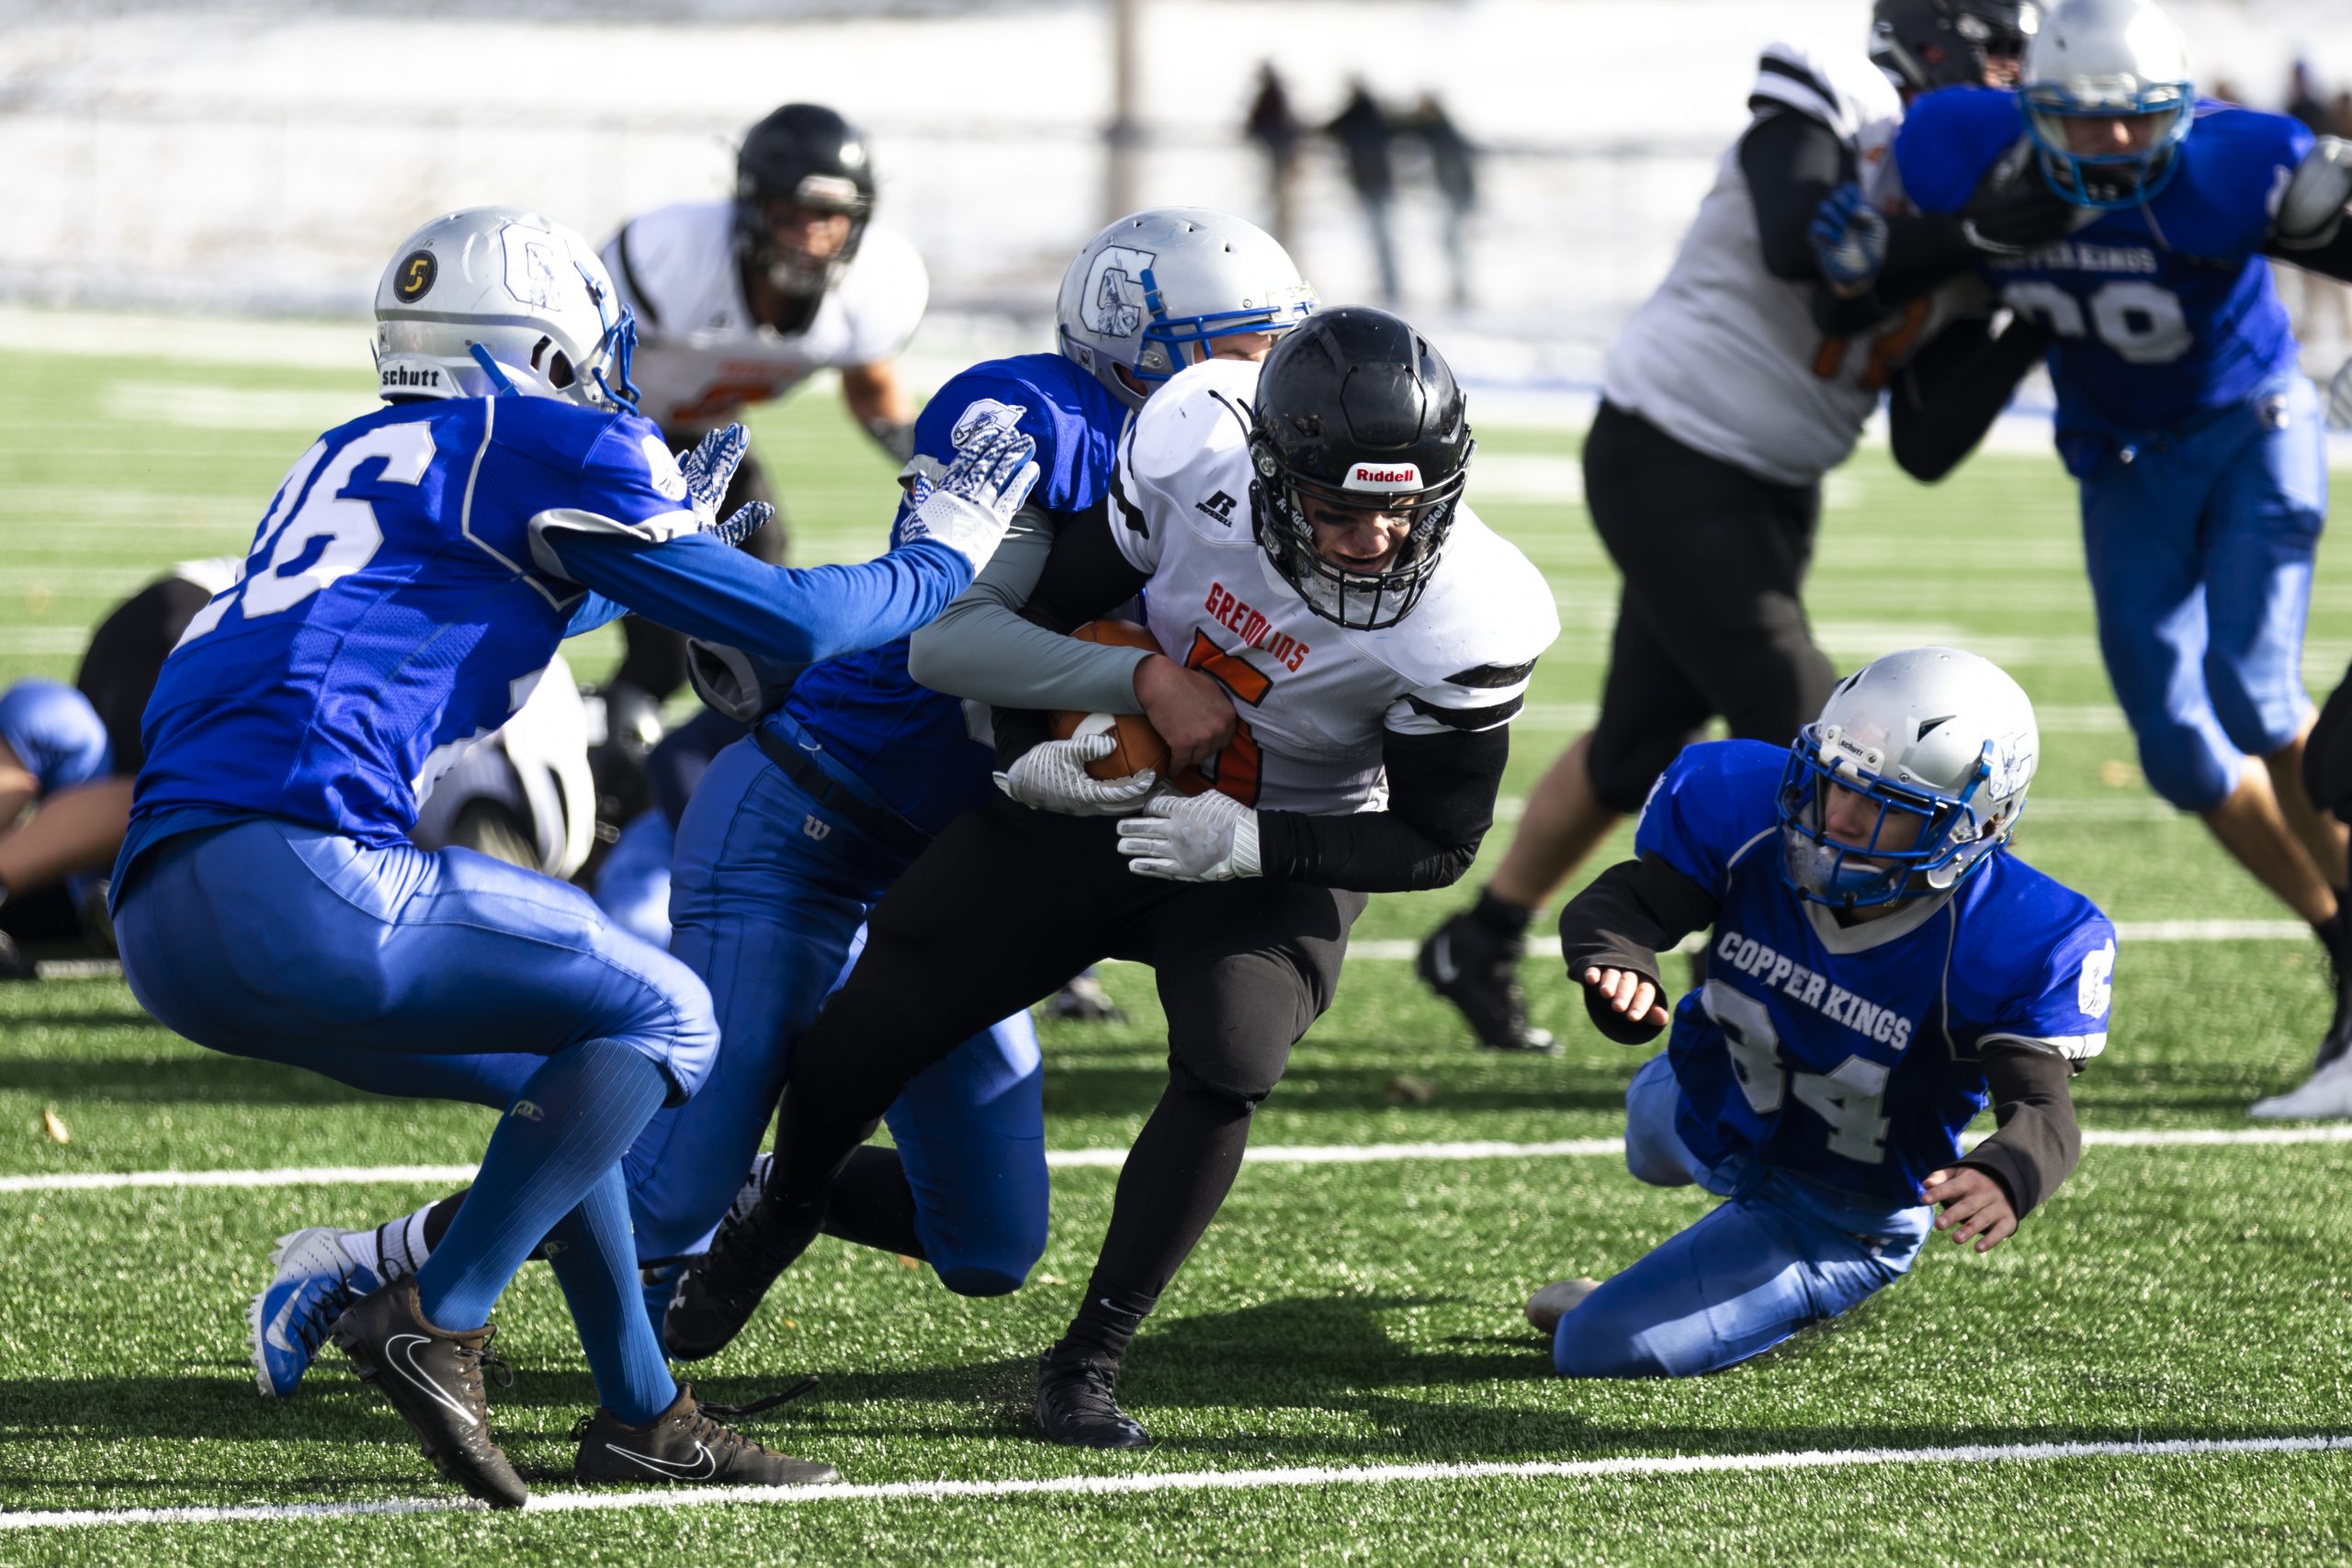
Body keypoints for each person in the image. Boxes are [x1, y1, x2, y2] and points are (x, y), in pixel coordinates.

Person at [248, 209, 1319, 1398]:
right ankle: (366, 1263)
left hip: (953, 870)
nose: (1274, 375)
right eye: (1251, 343)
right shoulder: (1034, 416)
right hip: (809, 821)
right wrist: (1141, 684)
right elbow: (951, 645)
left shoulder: (1241, 466)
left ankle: (771, 1180)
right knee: (665, 1195)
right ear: (1144, 346)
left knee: (988, 1240)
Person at [114, 204, 1025, 1506]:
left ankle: (645, 1417)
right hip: (303, 876)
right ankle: (436, 1310)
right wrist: (943, 550)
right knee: (671, 1016)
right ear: (545, 347)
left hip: (166, 912)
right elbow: (793, 621)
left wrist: (649, 560)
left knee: (582, 1075)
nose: (612, 376)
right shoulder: (548, 433)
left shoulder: (355, 448)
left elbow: (477, 594)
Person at [661, 307, 1559, 1450]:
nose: (1374, 541)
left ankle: (1086, 1361)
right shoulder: (1197, 447)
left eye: (1403, 511)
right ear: (1268, 474)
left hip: (1291, 835)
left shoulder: (1473, 610)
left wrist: (1256, 845)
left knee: (1233, 1059)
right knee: (883, 1006)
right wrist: (1029, 750)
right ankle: (783, 1204)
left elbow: (1437, 840)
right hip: (1121, 784)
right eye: (1338, 510)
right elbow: (1042, 608)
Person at [1416, 0, 2052, 1054]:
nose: (2014, 79)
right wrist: (1969, 239)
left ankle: (1477, 940)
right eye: (2001, 52)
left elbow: (1925, 443)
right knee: (1807, 723)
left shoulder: (1982, 205)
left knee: (1634, 745)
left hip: (1774, 484)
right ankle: (1748, 994)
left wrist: (2030, 311)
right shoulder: (1842, 102)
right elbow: (1803, 243)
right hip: (1671, 447)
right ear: (1934, 36)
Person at [1888, 0, 2352, 1100]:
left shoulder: (2238, 163)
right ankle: (2339, 937)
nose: (2109, 143)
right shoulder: (1962, 150)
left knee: (2252, 695)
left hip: (2250, 427)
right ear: (2030, 108)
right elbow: (1877, 268)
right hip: (2119, 457)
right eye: (2081, 119)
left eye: (2136, 118)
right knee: (2179, 753)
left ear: (2180, 112)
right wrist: (1959, 239)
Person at [1532, 648, 2110, 1376]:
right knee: (1646, 1128)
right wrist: (1617, 955)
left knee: (1593, 1346)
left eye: (1885, 805)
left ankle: (1732, 1295)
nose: (1836, 815)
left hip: (1837, 1209)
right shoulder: (1750, 813)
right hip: (1711, 1100)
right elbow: (1636, 899)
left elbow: (2043, 1107)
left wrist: (2009, 1171)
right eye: (1833, 779)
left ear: (1972, 825)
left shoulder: (2015, 932)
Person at [598, 102, 928, 721]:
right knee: (656, 640)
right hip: (606, 437)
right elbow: (575, 370)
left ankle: (724, 740)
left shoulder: (870, 289)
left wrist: (935, 472)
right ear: (752, 205)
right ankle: (606, 733)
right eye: (791, 213)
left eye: (829, 216)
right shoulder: (673, 258)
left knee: (763, 613)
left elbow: (872, 390)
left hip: (708, 442)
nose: (811, 235)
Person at [1400, 93, 1478, 309]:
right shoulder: (1442, 129)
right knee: (1450, 242)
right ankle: (1459, 287)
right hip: (1453, 194)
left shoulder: (1442, 131)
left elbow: (1457, 167)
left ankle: (1460, 289)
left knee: (1452, 242)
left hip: (1455, 195)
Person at [1326, 81, 1400, 303]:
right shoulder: (1371, 113)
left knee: (1381, 235)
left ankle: (1390, 285)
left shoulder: (1361, 114)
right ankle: (1388, 283)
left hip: (1373, 181)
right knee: (1379, 235)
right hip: (1373, 181)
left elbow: (1334, 128)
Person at [1243, 63, 1303, 250]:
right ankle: (1281, 231)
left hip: (1278, 155)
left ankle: (1283, 234)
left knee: (1281, 197)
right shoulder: (1277, 95)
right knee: (1280, 198)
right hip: (1278, 154)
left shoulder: (1272, 96)